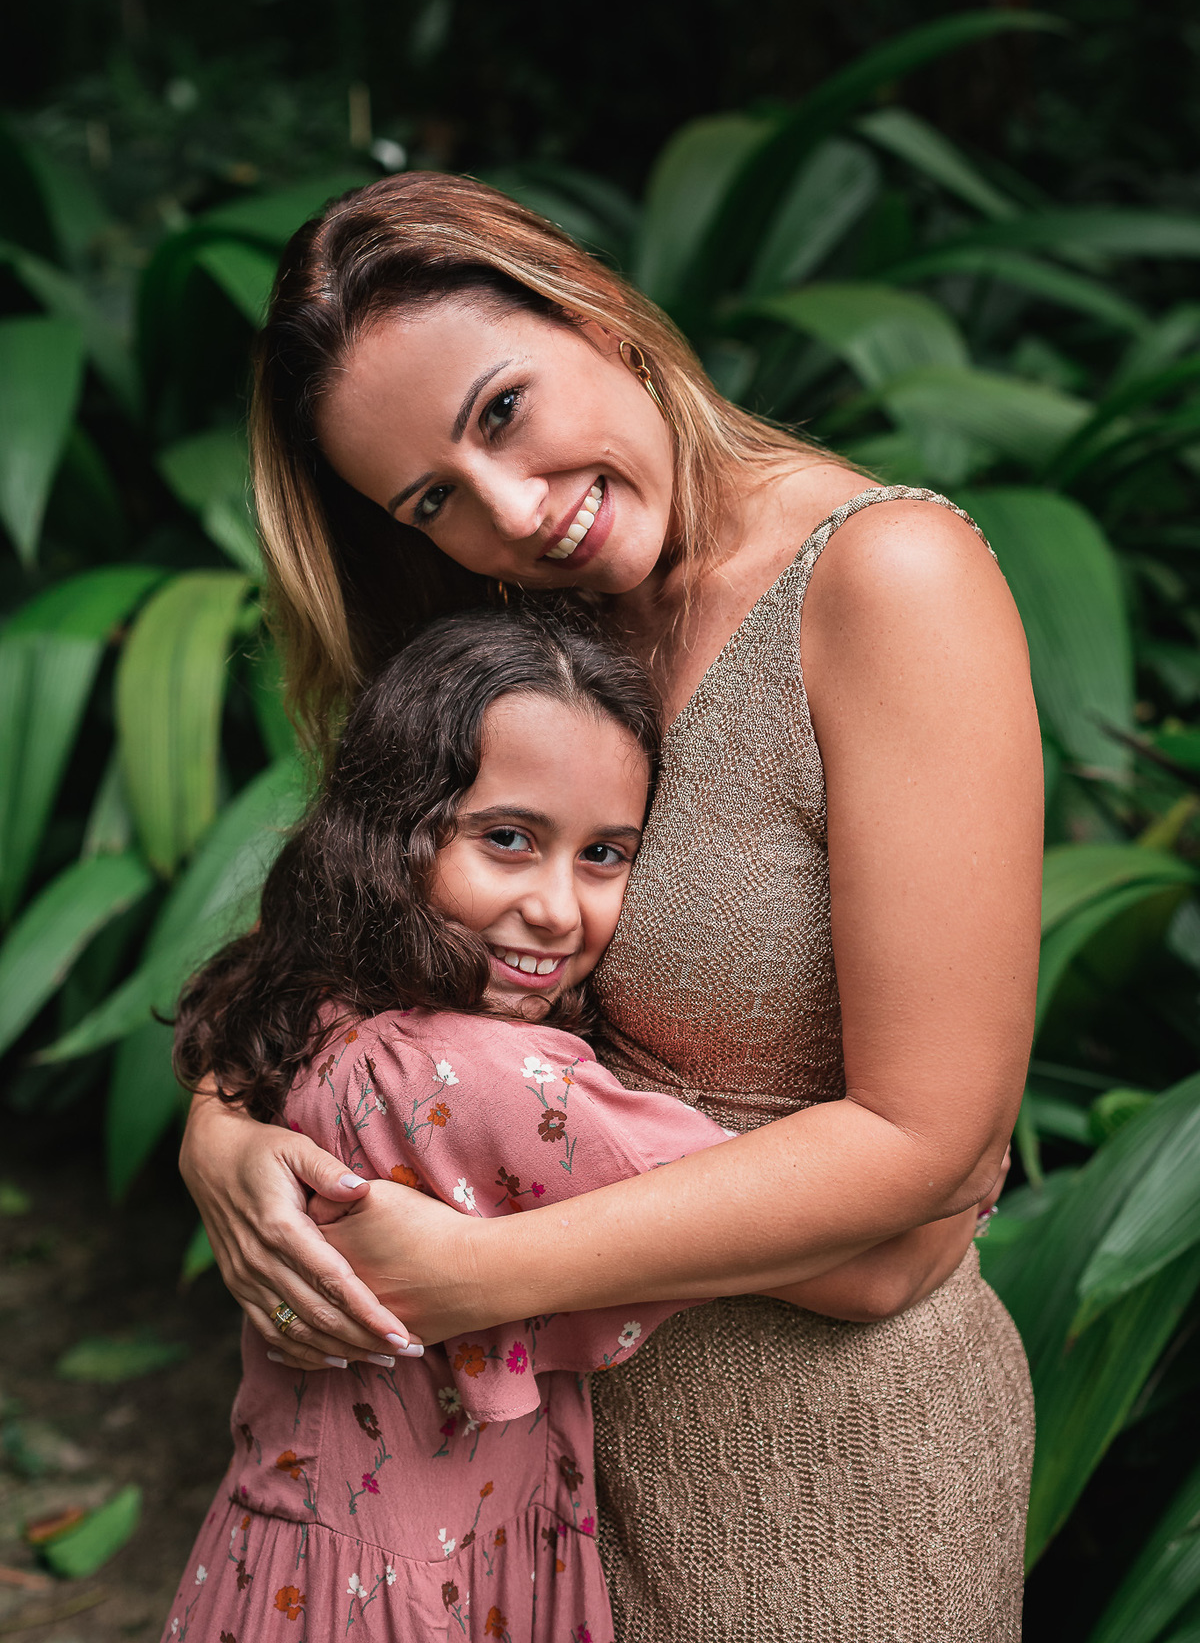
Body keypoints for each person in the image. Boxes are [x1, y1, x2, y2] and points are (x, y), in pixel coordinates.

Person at [180, 173, 1043, 1640]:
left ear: (596, 314)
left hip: (824, 1472)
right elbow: (335, 939)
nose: (512, 510)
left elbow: (920, 1168)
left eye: (502, 411)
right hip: (521, 1480)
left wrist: (478, 1273)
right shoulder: (525, 640)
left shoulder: (885, 582)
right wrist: (227, 1136)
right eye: (435, 500)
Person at [163, 608, 982, 1640]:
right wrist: (957, 1169)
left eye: (604, 855)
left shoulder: (322, 1012)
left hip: (272, 1564)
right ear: (391, 834)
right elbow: (871, 1263)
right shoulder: (489, 1080)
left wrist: (217, 1128)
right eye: (507, 840)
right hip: (418, 1600)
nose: (557, 907)